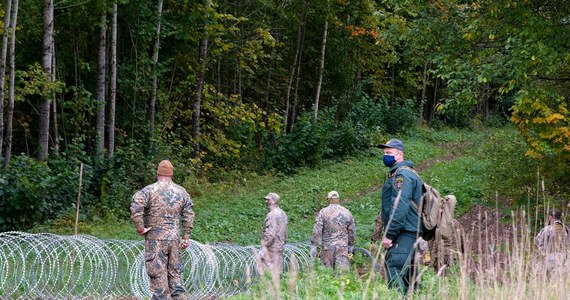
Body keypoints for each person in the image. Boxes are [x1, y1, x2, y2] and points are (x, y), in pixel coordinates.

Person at [130, 160, 194, 300]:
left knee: (158, 277)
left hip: (155, 240)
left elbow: (136, 206)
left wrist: (140, 227)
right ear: (171, 174)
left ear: (158, 173)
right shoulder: (181, 192)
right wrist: (186, 235)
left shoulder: (149, 190)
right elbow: (188, 213)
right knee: (175, 275)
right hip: (174, 239)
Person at [378, 138, 423, 294]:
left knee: (395, 269)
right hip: (411, 233)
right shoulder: (406, 173)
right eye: (384, 153)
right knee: (411, 281)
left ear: (399, 154)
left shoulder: (402, 175)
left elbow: (399, 206)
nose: (385, 156)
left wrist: (389, 235)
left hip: (404, 233)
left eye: (389, 153)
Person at [310, 191, 356, 270]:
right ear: (338, 199)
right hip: (342, 247)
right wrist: (351, 245)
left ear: (328, 200)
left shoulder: (323, 212)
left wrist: (314, 245)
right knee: (343, 274)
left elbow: (317, 230)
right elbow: (351, 231)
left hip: (327, 248)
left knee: (327, 274)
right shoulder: (347, 212)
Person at [259, 192, 289, 276]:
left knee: (267, 274)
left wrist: (264, 247)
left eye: (268, 200)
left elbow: (270, 233)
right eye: (265, 199)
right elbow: (286, 231)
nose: (266, 201)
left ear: (274, 201)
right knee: (277, 272)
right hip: (279, 247)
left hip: (271, 249)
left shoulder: (272, 215)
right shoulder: (282, 213)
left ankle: (268, 288)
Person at [534, 209, 570, 274]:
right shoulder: (566, 229)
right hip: (563, 257)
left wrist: (543, 252)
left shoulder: (547, 229)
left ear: (550, 217)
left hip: (550, 257)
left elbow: (538, 241)